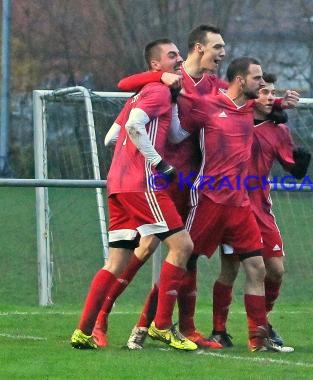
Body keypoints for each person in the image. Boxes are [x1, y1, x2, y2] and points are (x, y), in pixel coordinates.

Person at [91, 24, 227, 350]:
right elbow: (124, 91)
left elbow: (239, 97)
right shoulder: (161, 84)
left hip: (190, 182)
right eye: (218, 47)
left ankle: (171, 327)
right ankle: (102, 318)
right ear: (199, 48)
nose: (222, 54)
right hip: (158, 180)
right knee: (146, 249)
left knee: (184, 253)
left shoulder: (214, 87)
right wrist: (156, 78)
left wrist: (273, 104)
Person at [70, 39, 197, 351]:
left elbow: (111, 136)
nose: (179, 59)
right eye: (172, 55)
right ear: (155, 65)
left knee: (116, 261)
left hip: (118, 185)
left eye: (179, 54)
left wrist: (193, 113)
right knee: (182, 246)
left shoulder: (146, 94)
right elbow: (133, 126)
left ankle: (83, 331)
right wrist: (157, 162)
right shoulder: (155, 91)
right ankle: (163, 326)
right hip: (143, 184)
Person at [161, 57, 294, 353]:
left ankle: (258, 340)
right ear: (239, 80)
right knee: (183, 260)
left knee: (258, 268)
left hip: (240, 203)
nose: (262, 85)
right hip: (208, 198)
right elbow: (178, 131)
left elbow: (267, 107)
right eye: (257, 79)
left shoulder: (248, 108)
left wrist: (283, 104)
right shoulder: (208, 104)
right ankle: (155, 324)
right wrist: (168, 91)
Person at [209, 73, 311, 349]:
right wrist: (278, 101)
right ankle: (219, 329)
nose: (268, 97)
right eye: (263, 91)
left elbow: (291, 165)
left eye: (272, 92)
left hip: (261, 209)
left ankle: (261, 324)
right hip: (233, 206)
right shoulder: (233, 119)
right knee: (230, 269)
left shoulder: (278, 130)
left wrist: (300, 166)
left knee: (275, 270)